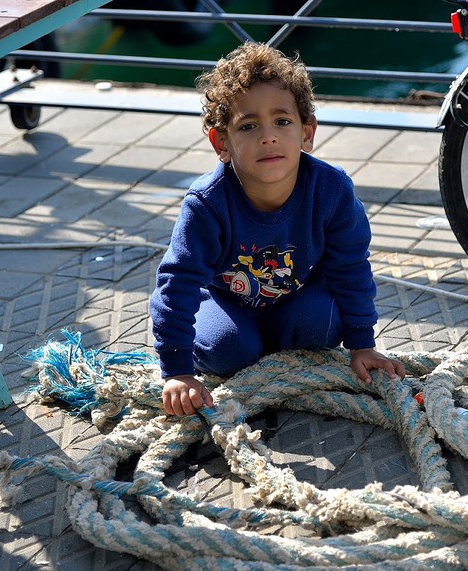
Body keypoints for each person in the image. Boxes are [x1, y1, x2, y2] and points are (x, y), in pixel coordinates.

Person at [151, 42, 405, 417]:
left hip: (299, 299)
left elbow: (350, 267)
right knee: (228, 350)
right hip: (228, 302)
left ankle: (279, 343)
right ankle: (250, 344)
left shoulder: (331, 190)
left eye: (282, 121)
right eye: (248, 126)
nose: (268, 136)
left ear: (307, 134)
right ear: (221, 143)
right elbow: (178, 282)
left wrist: (362, 345)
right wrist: (176, 371)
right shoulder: (206, 204)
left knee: (320, 326)